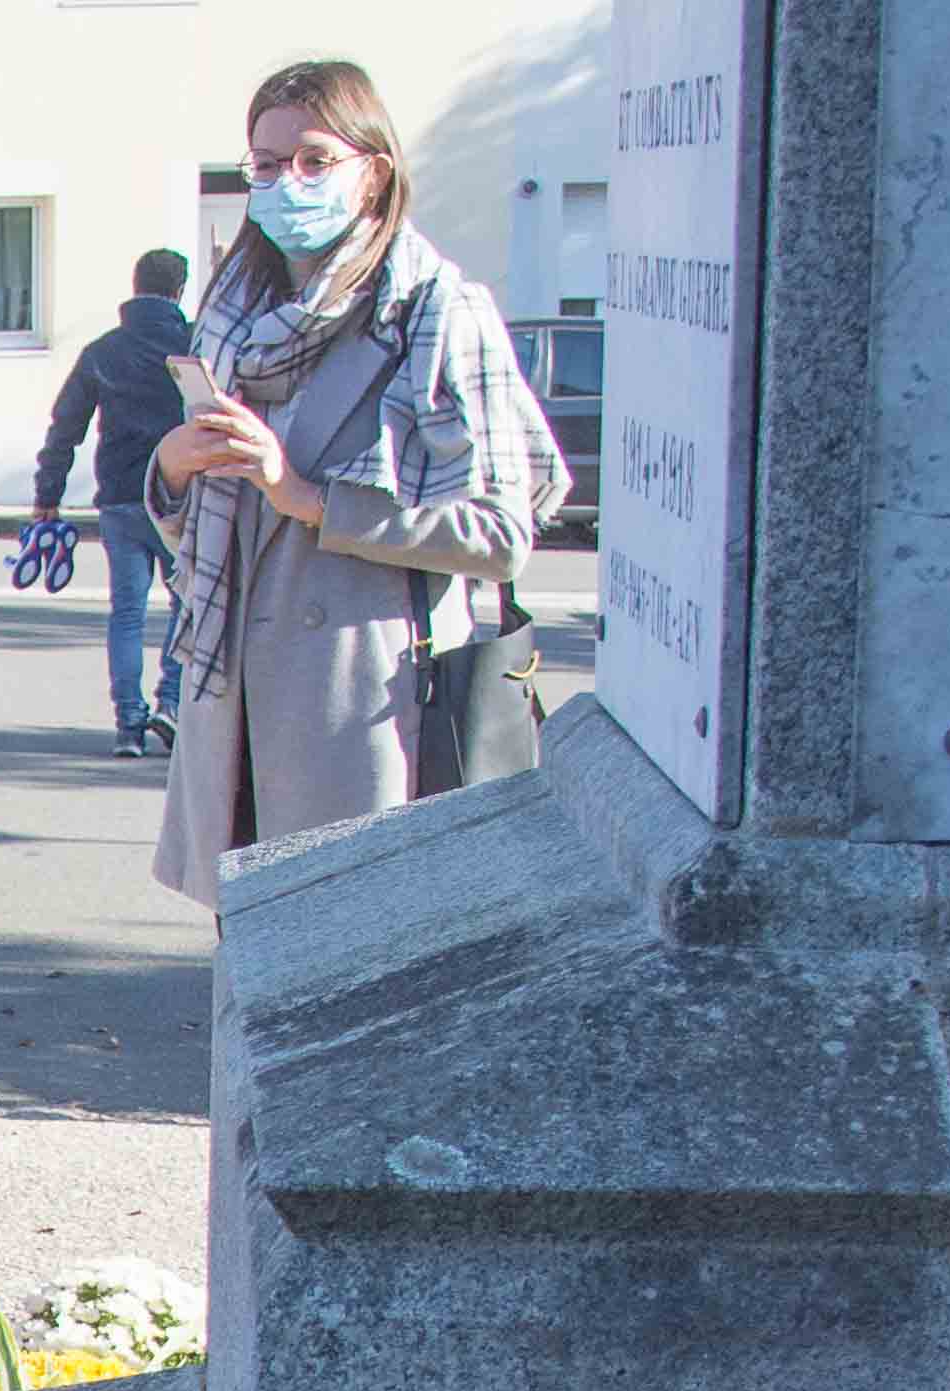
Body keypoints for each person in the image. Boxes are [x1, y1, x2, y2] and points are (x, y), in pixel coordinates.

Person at [149, 57, 569, 909]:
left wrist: (304, 495)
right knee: (254, 974)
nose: (284, 184)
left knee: (346, 959)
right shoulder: (235, 312)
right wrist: (172, 469)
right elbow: (202, 535)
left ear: (374, 171)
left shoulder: (437, 310)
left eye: (313, 160)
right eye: (264, 166)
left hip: (363, 703)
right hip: (231, 703)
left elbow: (500, 531)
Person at [34, 248, 199, 759]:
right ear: (179, 291)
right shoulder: (194, 346)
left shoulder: (103, 351)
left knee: (126, 610)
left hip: (121, 499)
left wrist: (48, 497)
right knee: (186, 602)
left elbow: (66, 426)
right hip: (179, 497)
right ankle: (170, 704)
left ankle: (128, 724)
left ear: (135, 287)